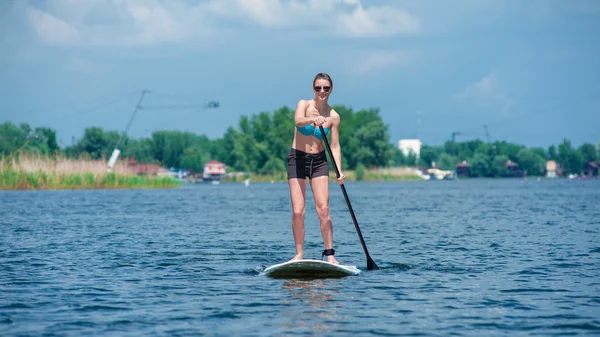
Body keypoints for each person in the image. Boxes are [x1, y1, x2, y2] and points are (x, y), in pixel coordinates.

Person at [287, 73, 345, 265]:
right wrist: (313, 120)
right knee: (298, 211)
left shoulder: (334, 116)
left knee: (323, 209)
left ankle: (330, 254)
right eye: (318, 88)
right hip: (298, 159)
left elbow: (335, 146)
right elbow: (297, 121)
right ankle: (299, 254)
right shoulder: (303, 104)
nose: (322, 91)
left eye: (326, 88)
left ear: (331, 90)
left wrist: (339, 170)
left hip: (319, 161)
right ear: (313, 89)